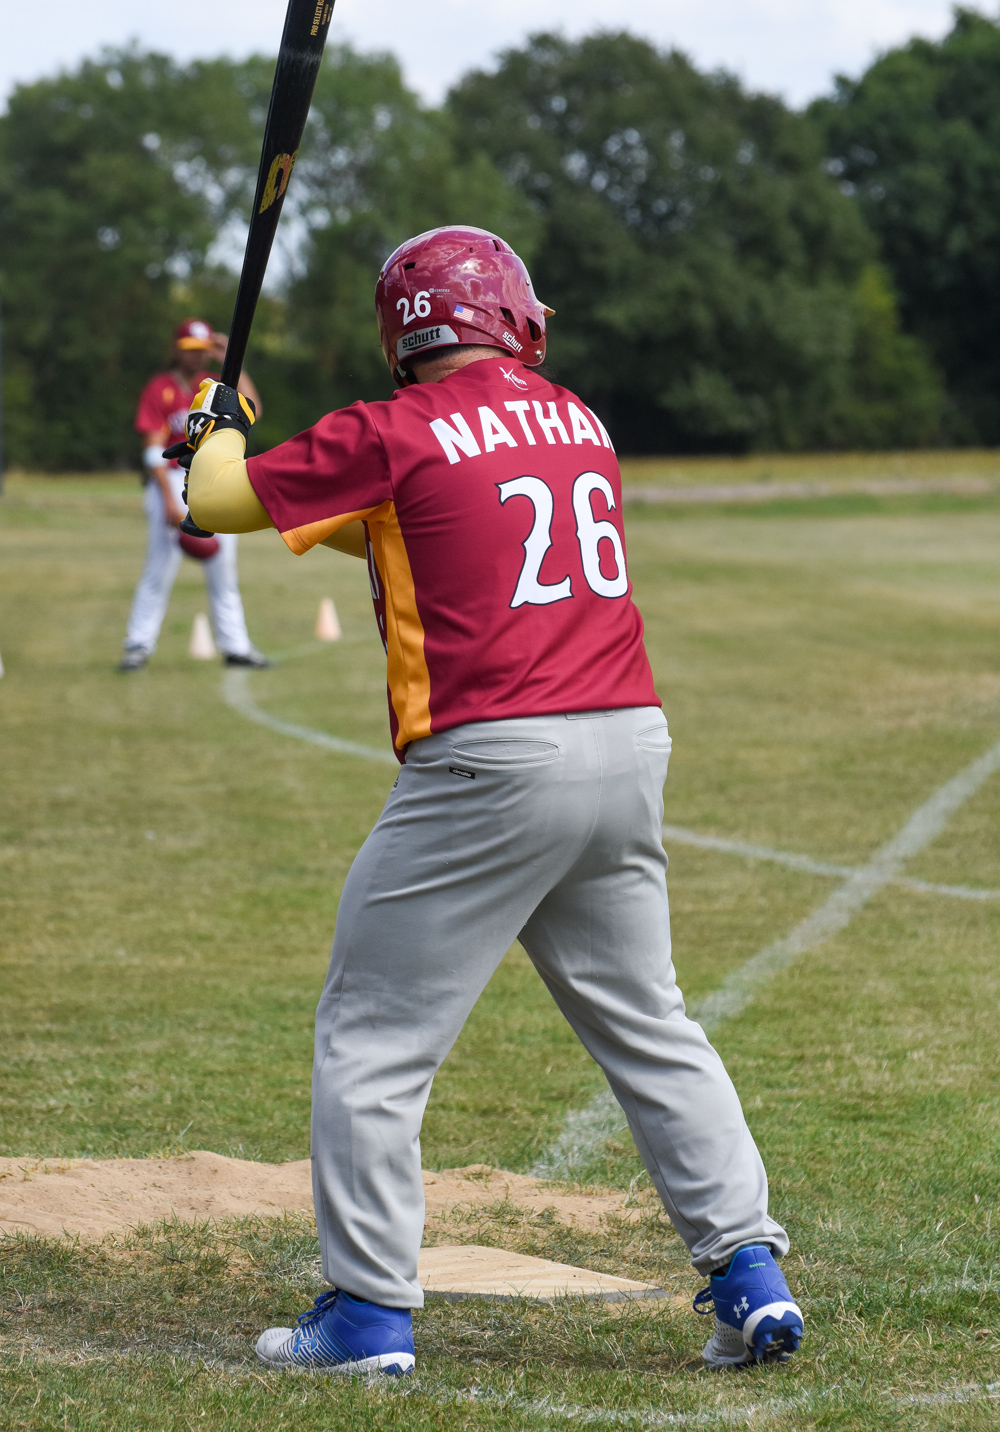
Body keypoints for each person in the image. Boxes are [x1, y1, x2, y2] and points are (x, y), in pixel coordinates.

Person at [180, 226, 804, 1374]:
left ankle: (367, 1313)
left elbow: (213, 502)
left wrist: (219, 428)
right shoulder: (579, 420)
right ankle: (748, 1272)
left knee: (371, 1037)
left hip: (489, 760)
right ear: (510, 316)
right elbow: (429, 531)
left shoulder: (390, 429)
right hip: (625, 743)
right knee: (648, 1020)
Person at [119, 318, 269, 672]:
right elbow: (152, 449)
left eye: (202, 350)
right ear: (176, 350)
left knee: (223, 568)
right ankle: (138, 644)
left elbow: (253, 408)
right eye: (189, 350)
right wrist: (169, 500)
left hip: (215, 479)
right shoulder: (160, 388)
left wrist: (232, 360)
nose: (196, 356)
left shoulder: (215, 386)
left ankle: (236, 646)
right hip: (171, 480)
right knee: (159, 568)